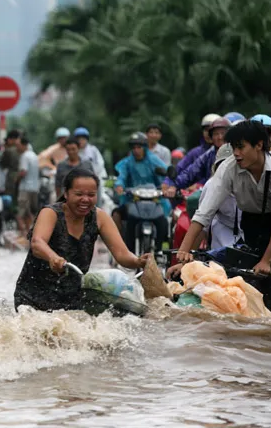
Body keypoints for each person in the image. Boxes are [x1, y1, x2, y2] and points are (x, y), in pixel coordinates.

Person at [177, 120, 271, 317]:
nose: (236, 153)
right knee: (257, 279)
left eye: (241, 147)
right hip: (253, 220)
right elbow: (204, 213)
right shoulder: (228, 168)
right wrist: (184, 251)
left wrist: (267, 260)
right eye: (234, 147)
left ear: (259, 145)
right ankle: (266, 321)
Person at [13, 168, 150, 313]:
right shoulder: (50, 213)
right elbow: (37, 242)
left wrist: (138, 261)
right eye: (79, 194)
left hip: (73, 298)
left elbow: (122, 254)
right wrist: (52, 257)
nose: (85, 199)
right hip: (32, 297)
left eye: (91, 195)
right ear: (66, 193)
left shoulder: (100, 217)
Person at [112, 132, 171, 246]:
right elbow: (121, 176)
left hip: (154, 199)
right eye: (133, 147)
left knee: (162, 220)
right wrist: (119, 185)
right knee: (120, 216)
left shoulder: (153, 160)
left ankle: (159, 250)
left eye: (139, 147)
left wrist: (165, 185)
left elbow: (166, 174)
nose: (136, 150)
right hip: (132, 199)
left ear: (144, 147)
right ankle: (122, 247)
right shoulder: (127, 163)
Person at [163, 117, 229, 197]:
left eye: (223, 133)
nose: (220, 137)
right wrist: (174, 185)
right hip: (210, 196)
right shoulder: (207, 155)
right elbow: (190, 172)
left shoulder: (235, 153)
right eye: (216, 134)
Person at [197, 144, 242, 249]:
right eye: (222, 166)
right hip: (222, 236)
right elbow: (201, 223)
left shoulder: (251, 182)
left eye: (232, 166)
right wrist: (188, 257)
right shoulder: (211, 186)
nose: (227, 171)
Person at [16, 136, 40, 237]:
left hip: (25, 188)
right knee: (30, 213)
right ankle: (30, 234)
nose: (17, 147)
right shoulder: (34, 155)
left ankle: (23, 234)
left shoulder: (24, 156)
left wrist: (16, 180)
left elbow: (23, 172)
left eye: (18, 145)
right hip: (35, 188)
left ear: (24, 145)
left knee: (20, 214)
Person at [0, 130, 23, 200]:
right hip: (22, 176)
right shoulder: (24, 149)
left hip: (11, 177)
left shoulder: (8, 150)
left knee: (10, 198)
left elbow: (2, 164)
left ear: (11, 139)